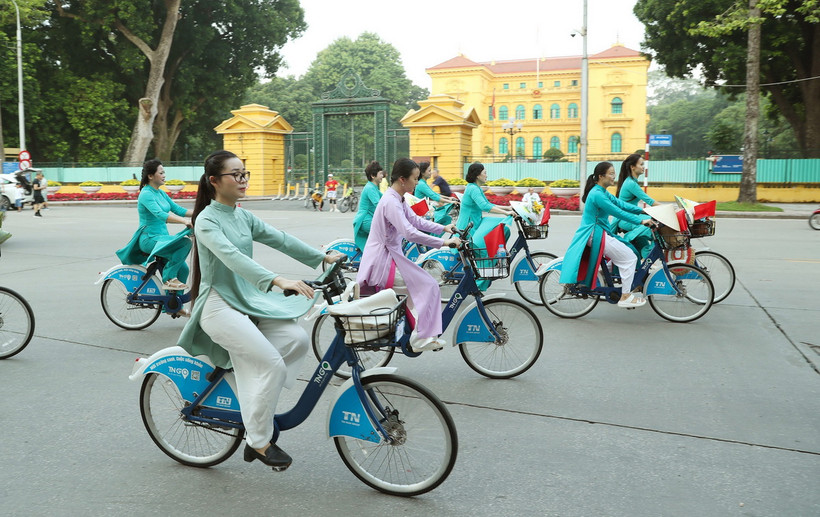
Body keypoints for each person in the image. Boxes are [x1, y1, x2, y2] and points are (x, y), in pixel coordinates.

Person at [177, 150, 341, 469]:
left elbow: (278, 238)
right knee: (271, 365)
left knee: (296, 340)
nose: (242, 180)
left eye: (244, 173)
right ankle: (259, 442)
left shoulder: (241, 215)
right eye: (235, 175)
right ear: (214, 181)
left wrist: (322, 258)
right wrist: (278, 280)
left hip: (246, 302)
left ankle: (254, 403)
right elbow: (233, 258)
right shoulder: (206, 220)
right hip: (218, 306)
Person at [357, 158, 461, 353]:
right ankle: (420, 338)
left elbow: (416, 221)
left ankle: (417, 332)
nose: (417, 183)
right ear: (403, 179)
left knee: (418, 289)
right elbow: (409, 232)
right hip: (383, 262)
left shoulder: (398, 198)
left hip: (392, 257)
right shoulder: (390, 201)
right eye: (415, 179)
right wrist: (444, 242)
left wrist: (444, 227)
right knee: (428, 285)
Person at [559, 161, 655, 308]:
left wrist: (644, 211)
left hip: (601, 232)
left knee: (628, 249)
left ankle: (606, 276)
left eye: (614, 174)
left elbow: (621, 204)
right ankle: (625, 296)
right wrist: (641, 222)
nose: (614, 177)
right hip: (595, 233)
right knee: (629, 258)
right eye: (611, 174)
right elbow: (617, 212)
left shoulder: (602, 191)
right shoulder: (597, 194)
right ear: (600, 176)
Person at [122, 159, 193, 291]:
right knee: (185, 243)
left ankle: (173, 307)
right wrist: (184, 221)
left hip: (162, 238)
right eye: (161, 172)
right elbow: (160, 214)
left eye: (164, 172)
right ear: (150, 176)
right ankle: (169, 279)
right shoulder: (146, 194)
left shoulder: (161, 193)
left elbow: (179, 210)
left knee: (183, 270)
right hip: (149, 239)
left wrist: (201, 213)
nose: (164, 175)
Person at [455, 162, 515, 238]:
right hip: (469, 226)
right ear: (477, 175)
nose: (486, 175)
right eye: (485, 173)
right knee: (500, 231)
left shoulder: (476, 187)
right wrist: (505, 213)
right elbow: (484, 206)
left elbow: (488, 204)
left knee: (504, 229)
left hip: (475, 223)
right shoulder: (473, 189)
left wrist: (508, 208)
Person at [615, 153, 657, 259]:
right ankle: (627, 239)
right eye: (641, 164)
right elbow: (650, 201)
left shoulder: (633, 182)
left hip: (631, 215)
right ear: (632, 167)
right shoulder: (631, 184)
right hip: (626, 219)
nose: (643, 167)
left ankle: (643, 265)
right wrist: (671, 209)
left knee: (643, 247)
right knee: (654, 225)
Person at [414, 161, 459, 226]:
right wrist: (450, 202)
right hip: (422, 213)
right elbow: (434, 196)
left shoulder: (423, 183)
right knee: (445, 218)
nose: (431, 173)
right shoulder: (421, 184)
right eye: (429, 171)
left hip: (425, 211)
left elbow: (434, 193)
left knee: (445, 217)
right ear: (423, 173)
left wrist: (449, 198)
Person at [352, 160, 385, 251]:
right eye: (380, 174)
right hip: (365, 220)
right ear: (373, 176)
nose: (382, 176)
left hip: (369, 218)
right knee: (386, 234)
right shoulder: (370, 188)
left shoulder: (373, 187)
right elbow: (378, 204)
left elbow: (385, 198)